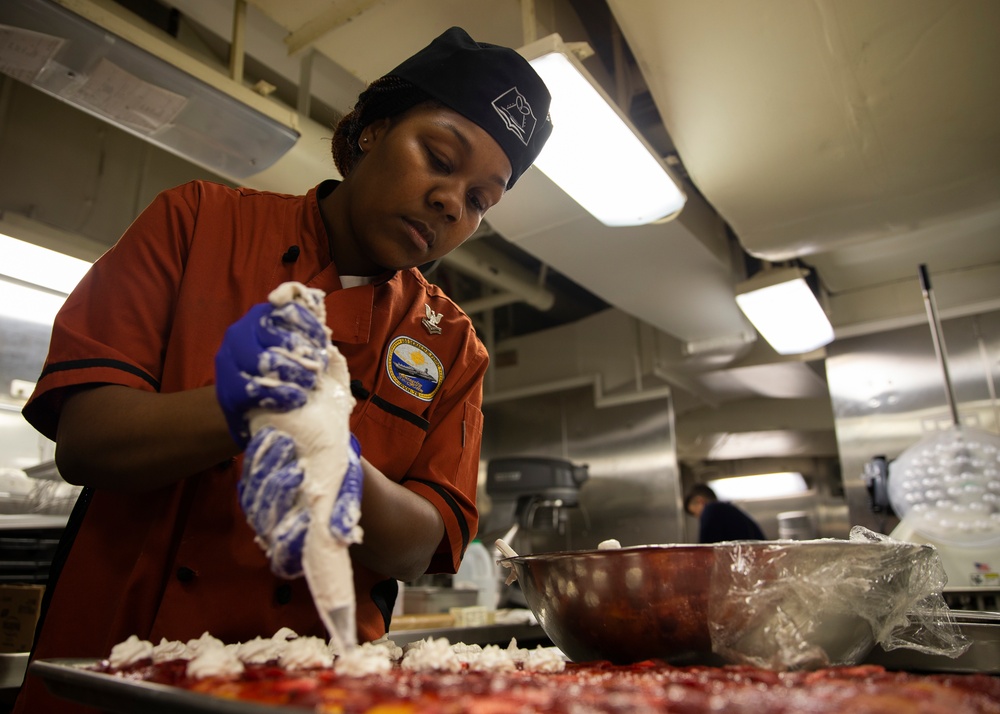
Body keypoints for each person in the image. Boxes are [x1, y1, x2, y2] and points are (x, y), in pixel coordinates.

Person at [15, 26, 552, 713]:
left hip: (312, 691)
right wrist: (248, 407)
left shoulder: (451, 344)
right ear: (371, 131)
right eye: (439, 157)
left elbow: (423, 545)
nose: (452, 201)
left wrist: (343, 468)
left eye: (481, 200)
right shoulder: (196, 223)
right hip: (113, 674)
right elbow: (85, 439)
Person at [683, 484, 766, 543]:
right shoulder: (729, 511)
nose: (699, 517)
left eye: (696, 513)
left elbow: (707, 550)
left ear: (700, 501)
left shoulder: (711, 509)